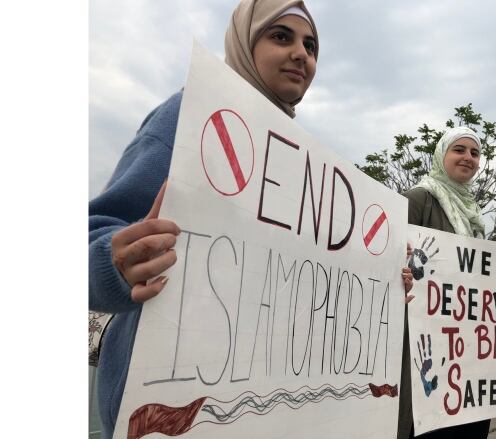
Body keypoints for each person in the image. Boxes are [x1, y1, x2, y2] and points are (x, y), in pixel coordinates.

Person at [88, 1, 320, 437]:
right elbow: (94, 239)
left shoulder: (303, 160)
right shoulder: (187, 115)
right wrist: (117, 264)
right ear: (243, 43)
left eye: (310, 46)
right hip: (159, 409)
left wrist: (384, 281)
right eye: (280, 37)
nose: (300, 55)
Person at [398, 126, 490, 439]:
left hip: (462, 346)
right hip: (420, 345)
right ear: (442, 155)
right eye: (459, 150)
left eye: (474, 153)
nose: (468, 158)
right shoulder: (418, 199)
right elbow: (389, 261)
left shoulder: (473, 217)